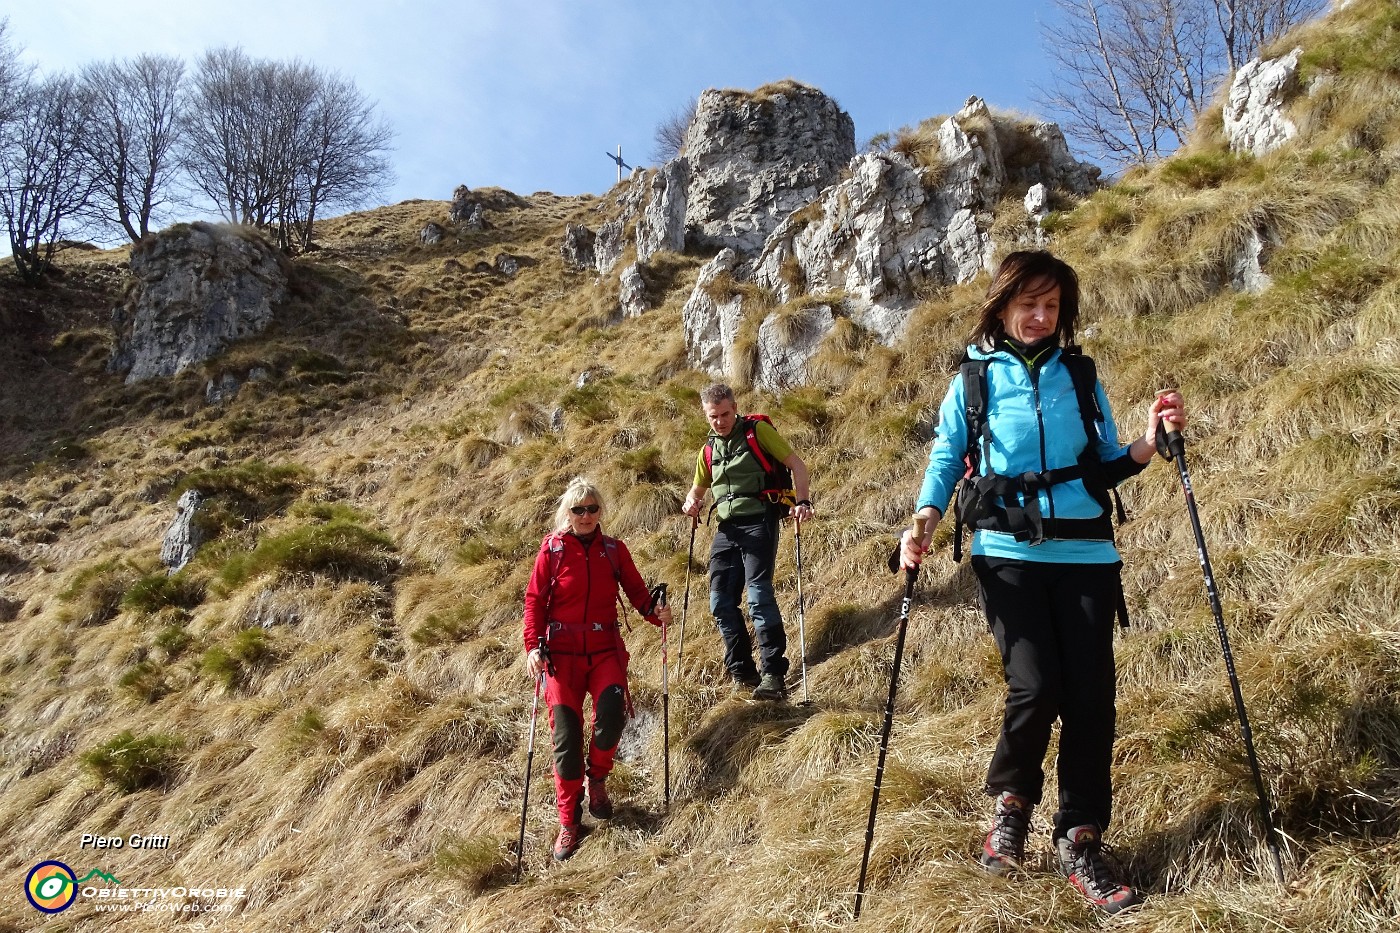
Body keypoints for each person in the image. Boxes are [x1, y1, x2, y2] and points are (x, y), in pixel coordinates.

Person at [900, 250, 1185, 914]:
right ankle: (1012, 803)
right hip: (1006, 549)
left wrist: (1151, 440)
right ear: (1001, 306)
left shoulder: (1079, 374)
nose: (1039, 316)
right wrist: (923, 520)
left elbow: (1109, 460)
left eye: (1052, 305)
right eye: (1028, 303)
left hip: (1086, 551)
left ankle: (1080, 836)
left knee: (1091, 695)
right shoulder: (973, 378)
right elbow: (946, 455)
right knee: (1036, 684)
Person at [522, 477, 672, 861]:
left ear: (600, 511)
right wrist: (531, 648)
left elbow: (638, 593)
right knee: (567, 740)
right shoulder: (552, 552)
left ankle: (599, 779)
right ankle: (569, 821)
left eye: (592, 508)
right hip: (561, 657)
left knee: (611, 715)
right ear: (567, 514)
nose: (586, 515)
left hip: (605, 650)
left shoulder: (613, 550)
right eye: (578, 509)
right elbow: (534, 602)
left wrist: (657, 615)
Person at [681, 384, 814, 701]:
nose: (720, 421)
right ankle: (743, 672)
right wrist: (690, 504)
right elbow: (696, 493)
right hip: (726, 530)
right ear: (706, 414)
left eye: (725, 414)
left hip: (760, 520)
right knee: (720, 603)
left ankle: (773, 675)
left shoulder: (757, 432)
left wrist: (804, 502)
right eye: (713, 416)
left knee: (757, 595)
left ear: (735, 407)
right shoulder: (708, 451)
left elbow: (797, 464)